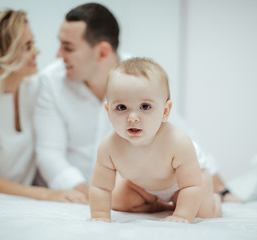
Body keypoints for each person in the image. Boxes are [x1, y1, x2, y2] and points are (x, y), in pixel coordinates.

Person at [35, 2, 241, 206]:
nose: (58, 55)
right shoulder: (51, 82)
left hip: (139, 184)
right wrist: (89, 193)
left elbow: (184, 137)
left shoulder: (143, 76)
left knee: (200, 204)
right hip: (96, 191)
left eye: (67, 47)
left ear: (102, 52)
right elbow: (49, 152)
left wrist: (222, 190)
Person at [0, 9, 87, 203]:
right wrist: (50, 194)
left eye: (33, 42)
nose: (37, 51)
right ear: (3, 55)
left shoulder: (37, 88)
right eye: (27, 46)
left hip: (23, 199)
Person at [89, 57, 222, 223]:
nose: (132, 118)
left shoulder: (178, 142)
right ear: (109, 111)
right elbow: (100, 187)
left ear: (165, 111)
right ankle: (159, 205)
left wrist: (181, 216)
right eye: (121, 107)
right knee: (117, 200)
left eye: (145, 107)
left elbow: (191, 186)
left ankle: (215, 201)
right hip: (143, 187)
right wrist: (100, 215)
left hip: (184, 184)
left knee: (201, 212)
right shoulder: (109, 146)